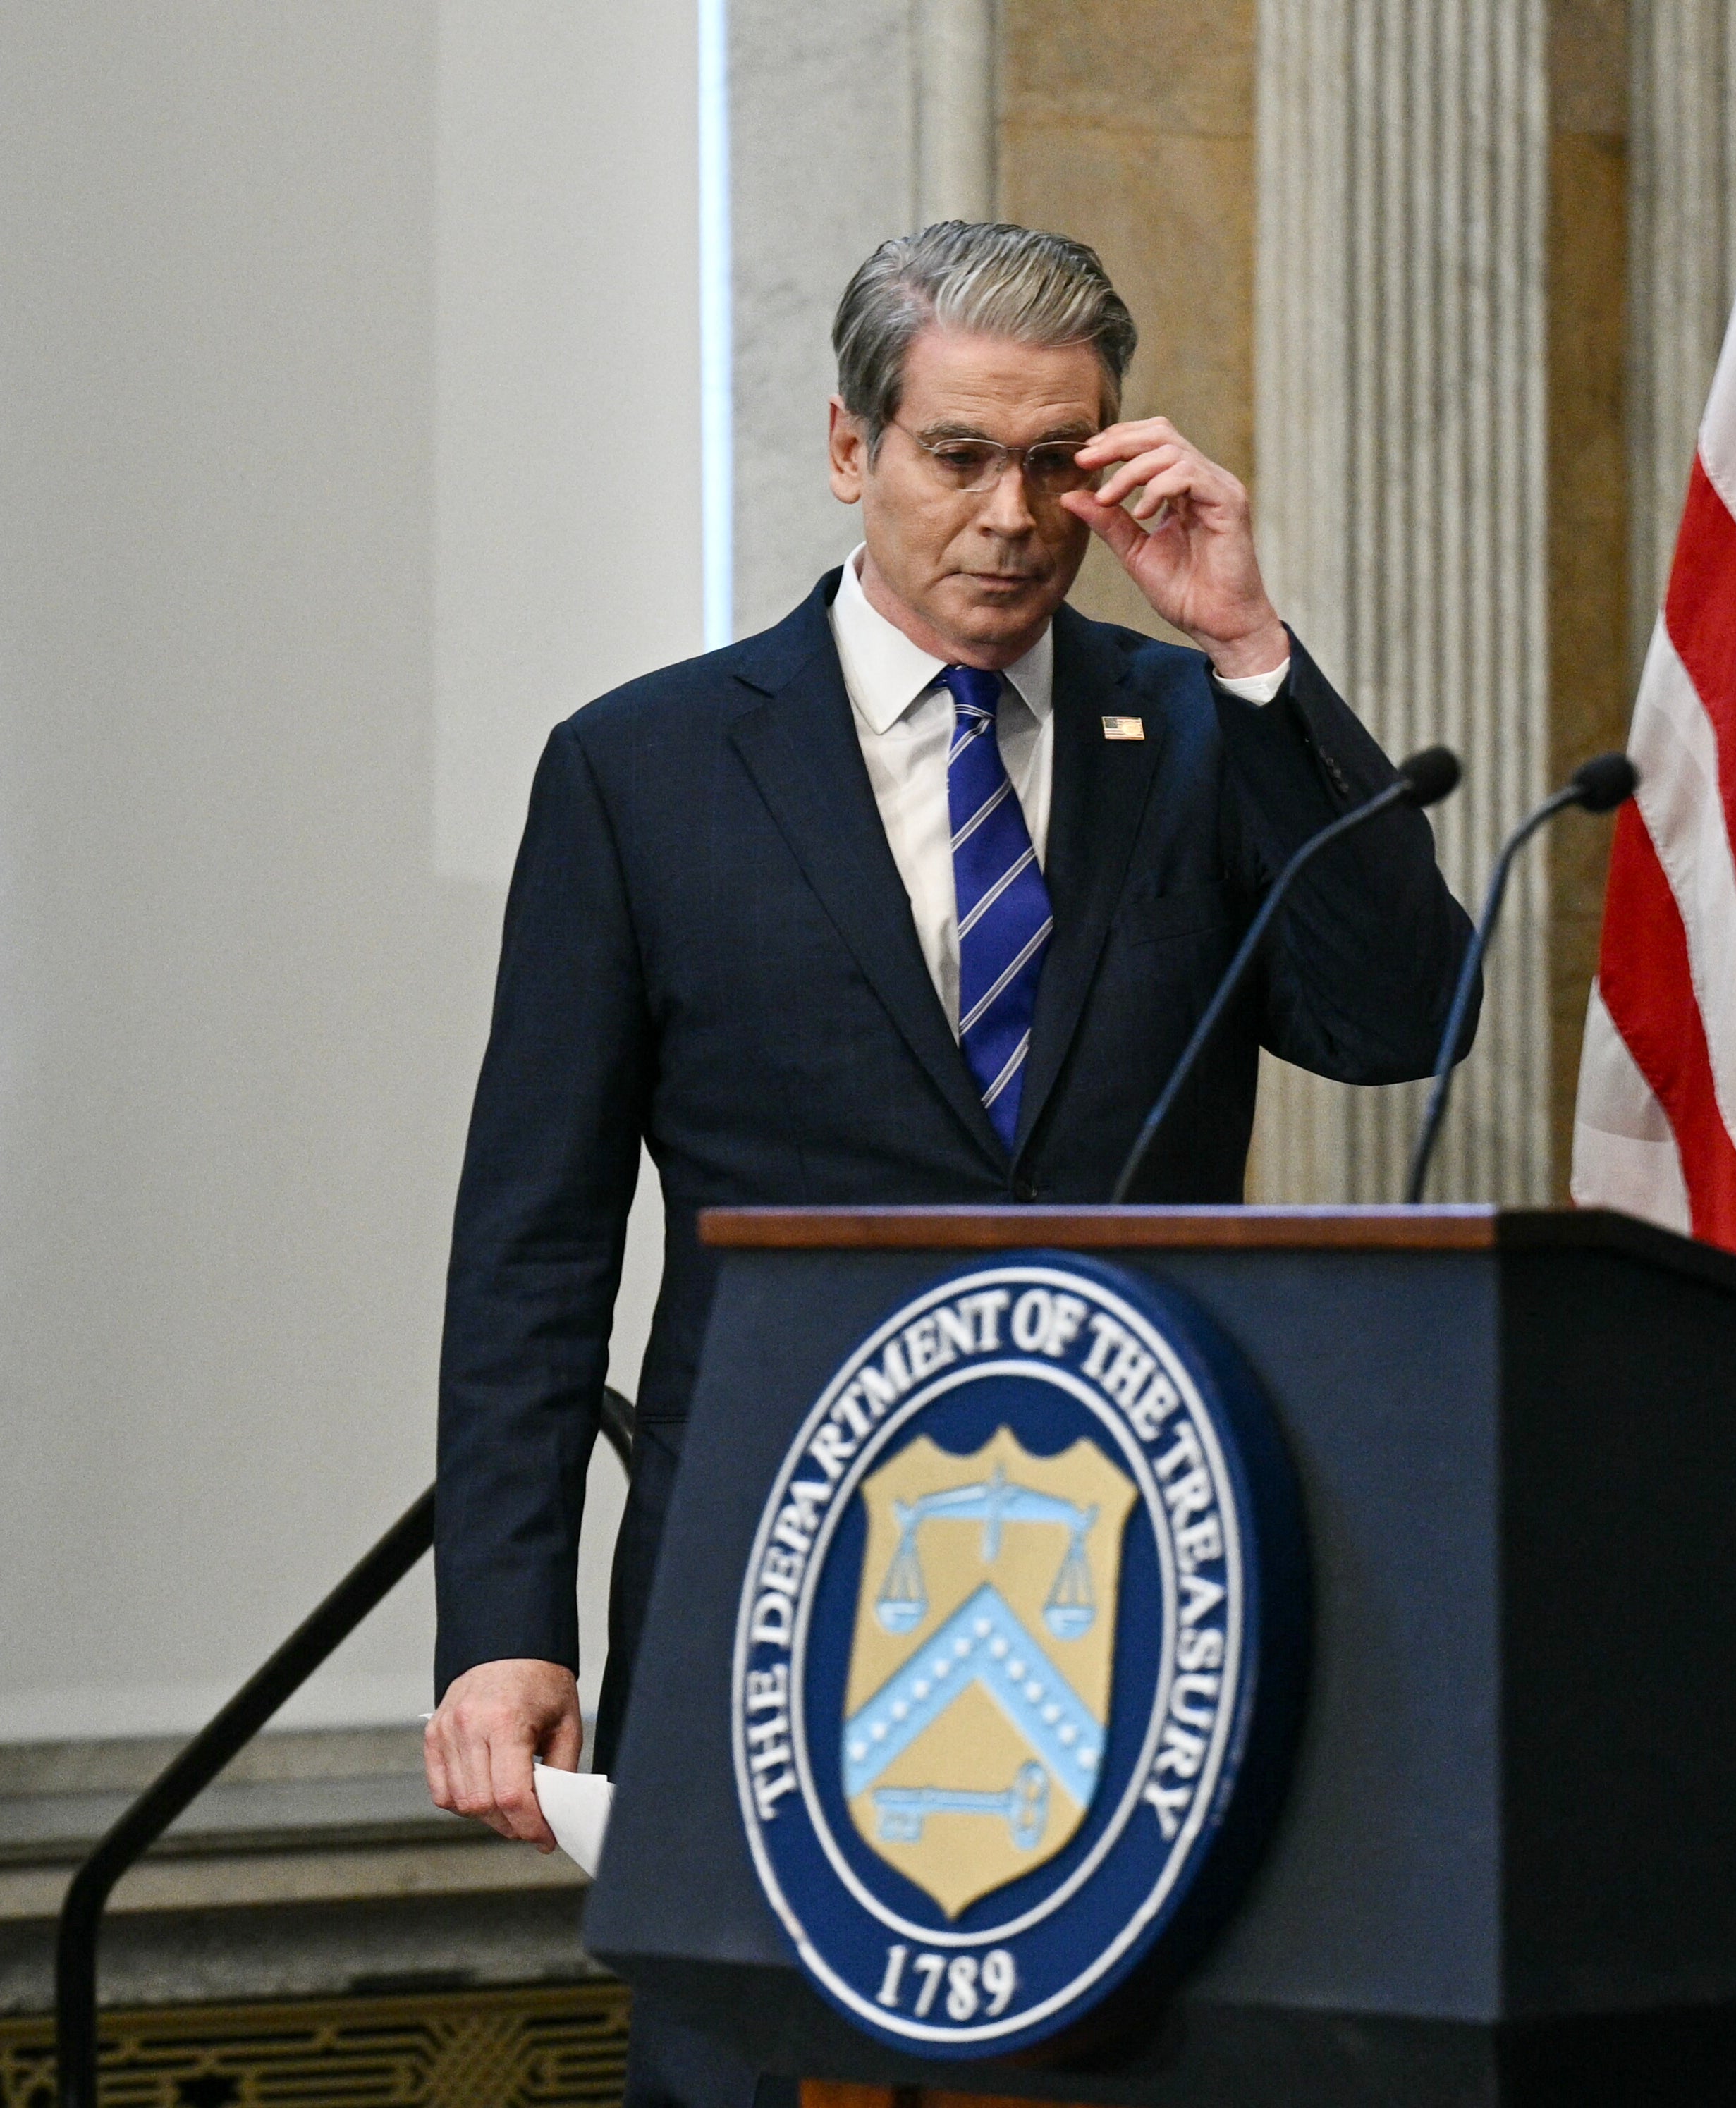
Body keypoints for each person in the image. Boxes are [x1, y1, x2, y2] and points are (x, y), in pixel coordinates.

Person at [421, 222, 1471, 2102]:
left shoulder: (1193, 733)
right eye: (960, 455)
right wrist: (506, 1630)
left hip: (1135, 1582)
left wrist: (1248, 646)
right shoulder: (646, 768)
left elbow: (1402, 1017)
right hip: (768, 1581)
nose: (1012, 515)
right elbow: (535, 1240)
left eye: (1057, 461)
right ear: (852, 448)